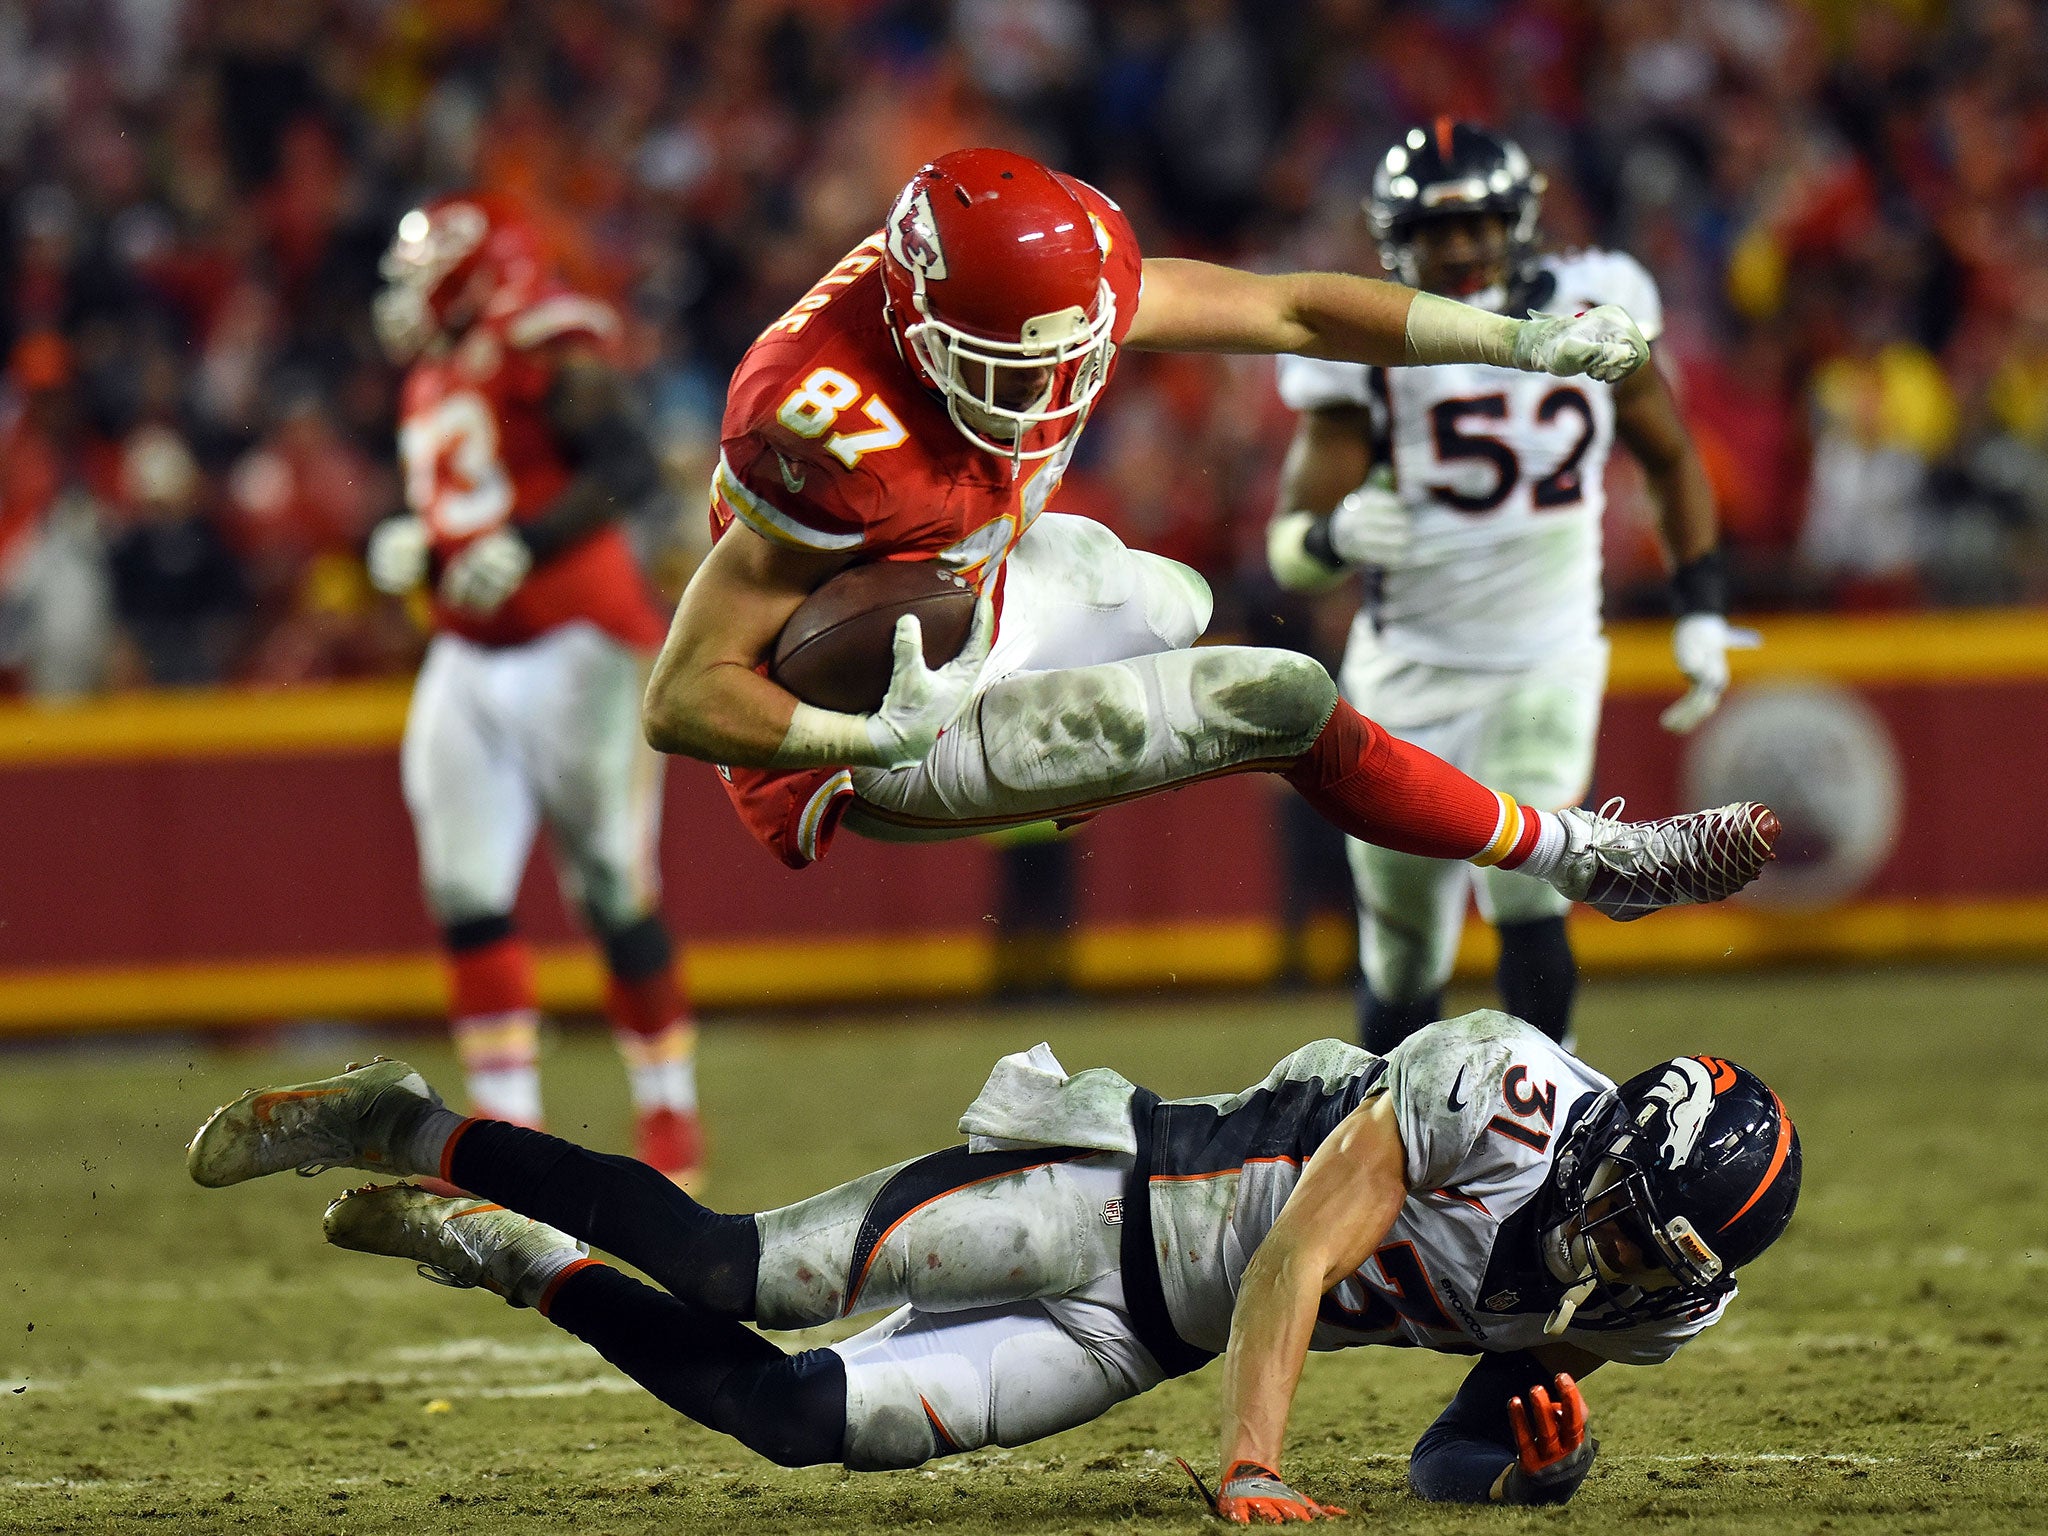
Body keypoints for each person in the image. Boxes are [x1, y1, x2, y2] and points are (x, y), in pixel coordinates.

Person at [640, 146, 1776, 926]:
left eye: (1066, 358)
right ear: (914, 324)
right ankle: (1587, 857)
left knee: (1160, 593)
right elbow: (681, 697)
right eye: (1005, 370)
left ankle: (1068, 776)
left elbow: (1288, 308)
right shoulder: (823, 418)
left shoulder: (1063, 267)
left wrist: (1517, 341)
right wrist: (859, 741)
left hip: (970, 598)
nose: (1046, 395)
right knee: (1278, 696)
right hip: (867, 718)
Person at [186, 1011, 1801, 1518]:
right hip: (1116, 1196)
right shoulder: (1497, 1083)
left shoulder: (1645, 1302)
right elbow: (1295, 1259)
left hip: (1133, 1343)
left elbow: (1450, 1455)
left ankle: (494, 1254)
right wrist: (1248, 1461)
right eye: (1615, 1214)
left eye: (1640, 1257)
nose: (1603, 1257)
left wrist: (1544, 1460)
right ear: (1609, 1145)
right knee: (737, 1264)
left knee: (791, 1419)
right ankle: (401, 1121)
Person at [1265, 121, 1756, 1056]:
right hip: (1410, 671)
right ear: (1394, 236)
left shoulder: (1596, 299)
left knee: (1532, 882)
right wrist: (1332, 537)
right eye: (1437, 231)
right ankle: (1387, 1152)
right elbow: (1288, 550)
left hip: (1547, 656)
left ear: (1519, 220)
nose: (1458, 249)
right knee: (1404, 950)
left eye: (1479, 225)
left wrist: (1702, 604)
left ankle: (1545, 1143)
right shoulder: (1364, 336)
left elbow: (1669, 453)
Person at [365, 195, 702, 1185]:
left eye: (416, 276)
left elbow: (626, 470)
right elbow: (478, 500)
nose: (400, 298)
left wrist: (525, 543)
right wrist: (424, 550)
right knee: (465, 893)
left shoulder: (541, 338)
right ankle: (507, 1141)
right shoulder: (432, 374)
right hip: (466, 654)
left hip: (581, 642)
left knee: (607, 887)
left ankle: (668, 1111)